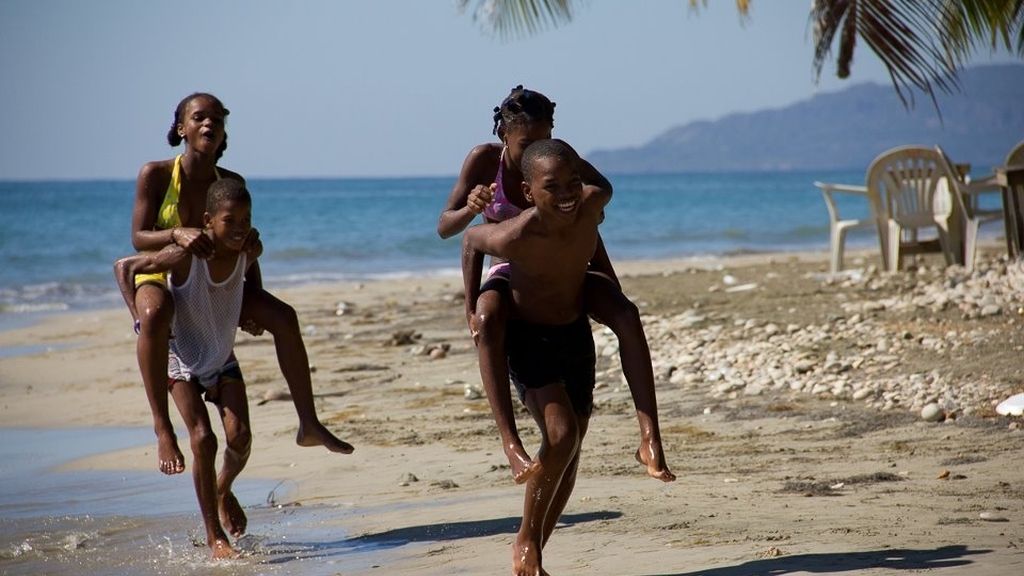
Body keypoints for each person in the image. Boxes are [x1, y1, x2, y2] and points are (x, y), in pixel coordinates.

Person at [439, 86, 673, 484]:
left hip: (570, 263)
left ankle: (650, 438)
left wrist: (584, 205)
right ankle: (512, 444)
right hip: (510, 270)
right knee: (490, 317)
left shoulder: (557, 162)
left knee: (627, 315)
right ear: (504, 136)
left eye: (545, 138)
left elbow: (602, 193)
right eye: (526, 142)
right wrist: (471, 208)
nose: (537, 148)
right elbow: (448, 228)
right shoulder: (483, 161)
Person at [131, 93, 352, 476]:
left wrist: (250, 296)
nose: (208, 124)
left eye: (216, 118)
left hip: (218, 282)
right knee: (152, 312)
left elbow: (245, 247)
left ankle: (309, 423)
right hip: (164, 274)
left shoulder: (232, 182)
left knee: (283, 316)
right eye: (199, 117)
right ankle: (163, 428)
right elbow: (138, 238)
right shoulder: (157, 174)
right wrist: (179, 233)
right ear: (182, 128)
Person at [463, 139, 648, 575]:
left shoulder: (583, 195)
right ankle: (527, 539)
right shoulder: (511, 217)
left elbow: (600, 190)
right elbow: (466, 236)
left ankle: (531, 553)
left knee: (570, 446)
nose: (567, 192)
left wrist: (571, 164)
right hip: (525, 320)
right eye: (554, 185)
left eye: (573, 181)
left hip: (570, 321)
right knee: (561, 435)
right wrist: (471, 306)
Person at [115, 180, 307, 558]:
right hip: (180, 359)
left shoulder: (247, 250)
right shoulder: (185, 254)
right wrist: (138, 318)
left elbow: (249, 280)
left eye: (247, 218)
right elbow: (125, 266)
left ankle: (222, 489)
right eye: (229, 219)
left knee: (241, 438)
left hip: (220, 356)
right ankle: (214, 535)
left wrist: (247, 313)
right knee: (203, 439)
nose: (240, 226)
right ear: (207, 220)